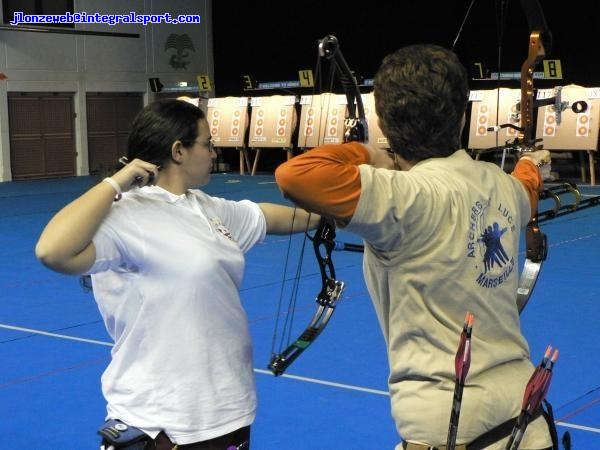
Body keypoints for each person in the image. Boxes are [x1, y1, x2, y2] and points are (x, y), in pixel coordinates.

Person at [275, 44, 555, 450]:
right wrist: (532, 164)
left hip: (447, 426)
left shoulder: (403, 196)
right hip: (524, 418)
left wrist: (371, 152)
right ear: (462, 115)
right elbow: (527, 186)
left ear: (385, 122)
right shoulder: (505, 188)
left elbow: (296, 175)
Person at [35, 98, 319, 450]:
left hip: (227, 408)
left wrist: (327, 215)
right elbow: (53, 251)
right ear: (178, 151)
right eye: (207, 144)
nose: (214, 152)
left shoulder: (204, 207)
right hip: (162, 420)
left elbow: (264, 217)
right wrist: (116, 183)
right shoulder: (126, 215)